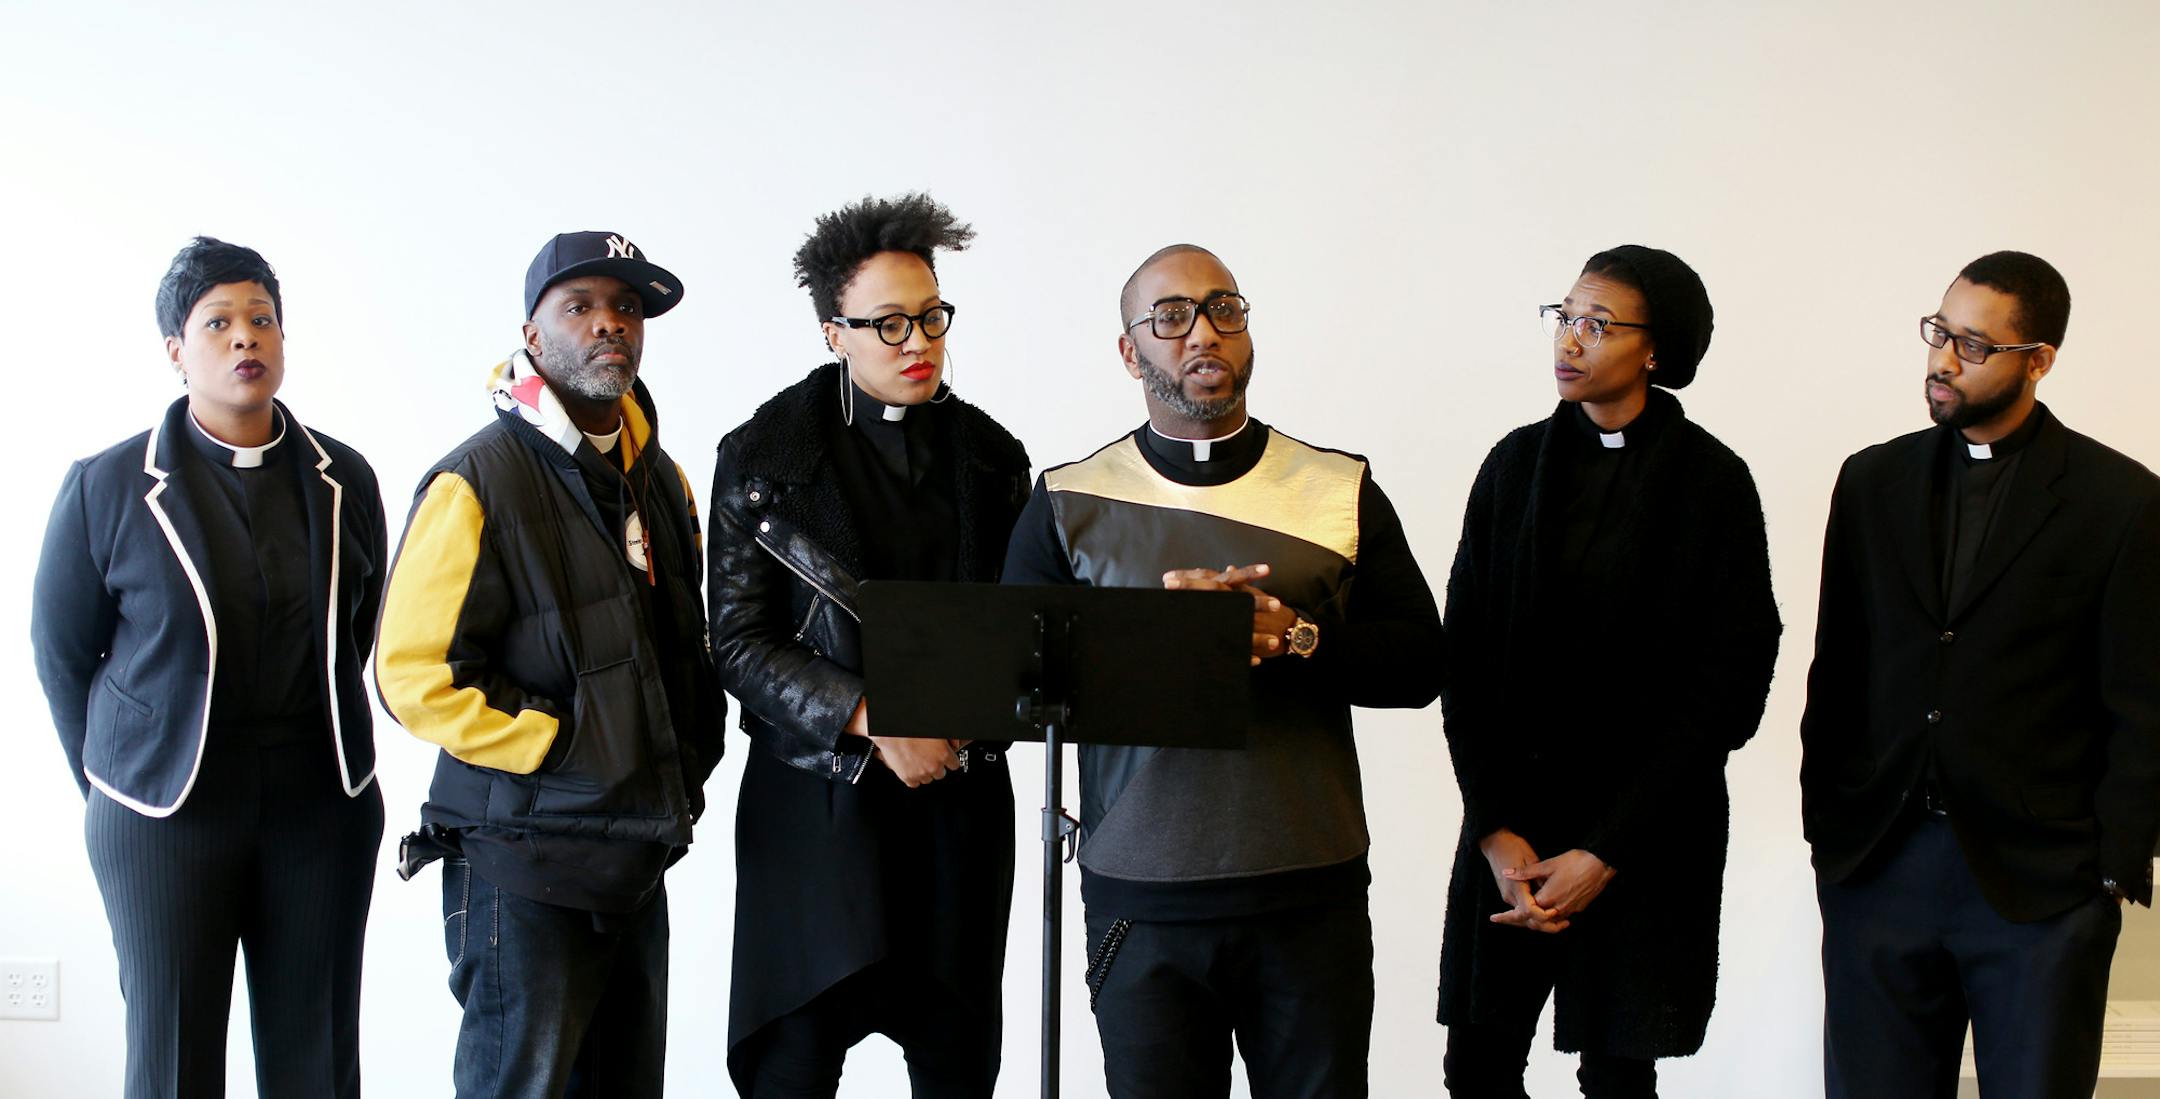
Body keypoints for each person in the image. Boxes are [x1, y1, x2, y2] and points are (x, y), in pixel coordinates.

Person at [1000, 243, 1445, 1099]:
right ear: (1131, 352)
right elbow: (1020, 687)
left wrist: (1295, 637)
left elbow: (1422, 662)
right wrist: (1163, 638)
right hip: (1143, 897)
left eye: (1224, 310)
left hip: (1308, 889)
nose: (1202, 332)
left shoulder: (1339, 487)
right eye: (1170, 317)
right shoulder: (1066, 499)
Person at [31, 236, 387, 1098]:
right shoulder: (106, 486)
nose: (245, 339)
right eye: (219, 322)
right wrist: (123, 788)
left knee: (318, 1054)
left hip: (318, 798)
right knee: (172, 1058)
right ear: (175, 350)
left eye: (262, 319)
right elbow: (62, 653)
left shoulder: (346, 477)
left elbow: (361, 620)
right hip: (166, 809)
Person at [373, 230, 726, 1098]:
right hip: (521, 862)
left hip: (636, 854)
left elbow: (682, 644)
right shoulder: (475, 481)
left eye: (627, 307)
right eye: (580, 306)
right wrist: (556, 746)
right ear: (532, 336)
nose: (609, 323)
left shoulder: (664, 480)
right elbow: (410, 673)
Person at [1801, 250, 2160, 1098]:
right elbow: (1839, 666)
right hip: (1878, 869)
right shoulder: (1871, 479)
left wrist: (2108, 872)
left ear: (2038, 359)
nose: (1943, 359)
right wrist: (1830, 831)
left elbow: (2142, 703)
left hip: (2038, 890)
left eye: (1973, 343)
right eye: (1939, 331)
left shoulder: (2122, 502)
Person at [1434, 246, 1780, 1098]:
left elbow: (1731, 685)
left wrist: (1605, 850)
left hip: (1647, 832)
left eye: (1598, 324)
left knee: (1620, 1076)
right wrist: (1494, 828)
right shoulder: (1512, 467)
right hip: (1511, 829)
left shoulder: (1714, 483)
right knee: (1477, 1063)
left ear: (1656, 350)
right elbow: (1464, 656)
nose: (1571, 340)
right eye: (1565, 317)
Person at [708, 192, 1031, 1098]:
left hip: (956, 812)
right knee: (794, 1067)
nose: (917, 341)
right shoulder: (764, 457)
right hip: (815, 811)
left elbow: (1018, 627)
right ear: (832, 333)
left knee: (957, 1066)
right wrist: (874, 712)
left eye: (931, 316)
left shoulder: (993, 458)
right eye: (888, 324)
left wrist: (967, 727)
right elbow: (736, 642)